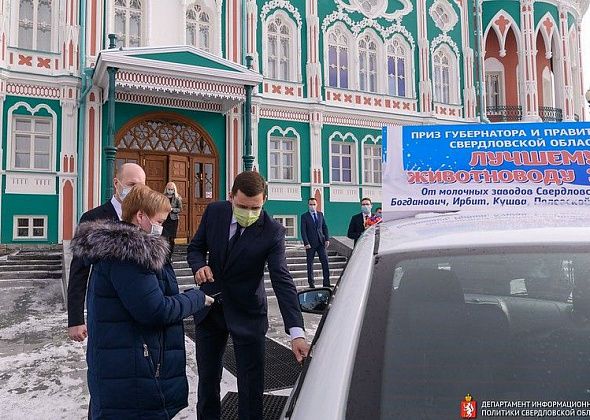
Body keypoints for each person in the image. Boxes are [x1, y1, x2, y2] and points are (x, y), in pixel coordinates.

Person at [71, 184, 214, 419]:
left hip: (128, 367)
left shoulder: (121, 249)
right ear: (140, 216)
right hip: (135, 371)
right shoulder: (129, 256)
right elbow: (156, 310)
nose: (162, 227)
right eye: (159, 221)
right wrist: (196, 298)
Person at [187, 171, 309, 420]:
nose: (249, 214)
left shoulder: (273, 231)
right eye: (243, 206)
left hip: (248, 313)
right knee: (208, 381)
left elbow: (281, 278)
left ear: (264, 200)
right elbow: (196, 247)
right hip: (210, 310)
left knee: (251, 387)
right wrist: (199, 265)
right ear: (231, 197)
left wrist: (296, 332)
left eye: (256, 208)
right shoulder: (214, 212)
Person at [67, 163, 146, 342]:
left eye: (141, 186)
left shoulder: (146, 218)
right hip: (106, 312)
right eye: (132, 184)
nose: (137, 191)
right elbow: (79, 271)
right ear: (116, 183)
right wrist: (75, 319)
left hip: (141, 309)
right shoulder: (93, 218)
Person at [300, 198, 331, 288]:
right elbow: (303, 231)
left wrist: (327, 239)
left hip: (321, 243)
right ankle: (311, 283)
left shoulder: (320, 214)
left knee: (325, 262)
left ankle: (326, 282)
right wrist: (306, 243)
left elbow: (324, 227)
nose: (312, 206)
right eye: (310, 204)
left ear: (317, 205)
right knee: (310, 263)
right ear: (308, 205)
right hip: (310, 244)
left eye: (314, 204)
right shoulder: (304, 216)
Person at [162, 181, 183, 255]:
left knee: (171, 238)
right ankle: (164, 254)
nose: (170, 191)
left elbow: (180, 209)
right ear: (166, 189)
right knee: (164, 237)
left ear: (174, 189)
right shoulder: (163, 197)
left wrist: (172, 209)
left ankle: (170, 255)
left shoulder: (177, 198)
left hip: (173, 220)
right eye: (169, 189)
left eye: (171, 189)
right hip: (164, 219)